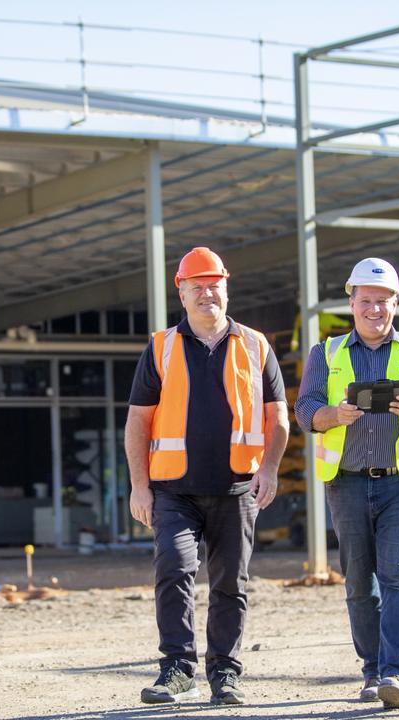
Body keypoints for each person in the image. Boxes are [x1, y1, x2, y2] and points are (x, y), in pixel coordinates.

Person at [124, 246, 289, 706]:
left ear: (226, 288)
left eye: (213, 285)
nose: (206, 294)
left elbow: (279, 417)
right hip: (174, 490)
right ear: (181, 292)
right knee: (174, 570)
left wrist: (271, 469)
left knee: (230, 584)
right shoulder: (161, 347)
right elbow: (138, 422)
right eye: (196, 286)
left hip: (237, 488)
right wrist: (140, 486)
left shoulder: (256, 346)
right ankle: (177, 669)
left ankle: (225, 674)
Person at [294, 257, 399, 709]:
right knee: (358, 583)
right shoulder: (325, 354)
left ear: (395, 303)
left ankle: (395, 673)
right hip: (346, 483)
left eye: (382, 301)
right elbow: (305, 408)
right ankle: (371, 669)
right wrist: (330, 416)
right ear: (351, 303)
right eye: (366, 301)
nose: (374, 309)